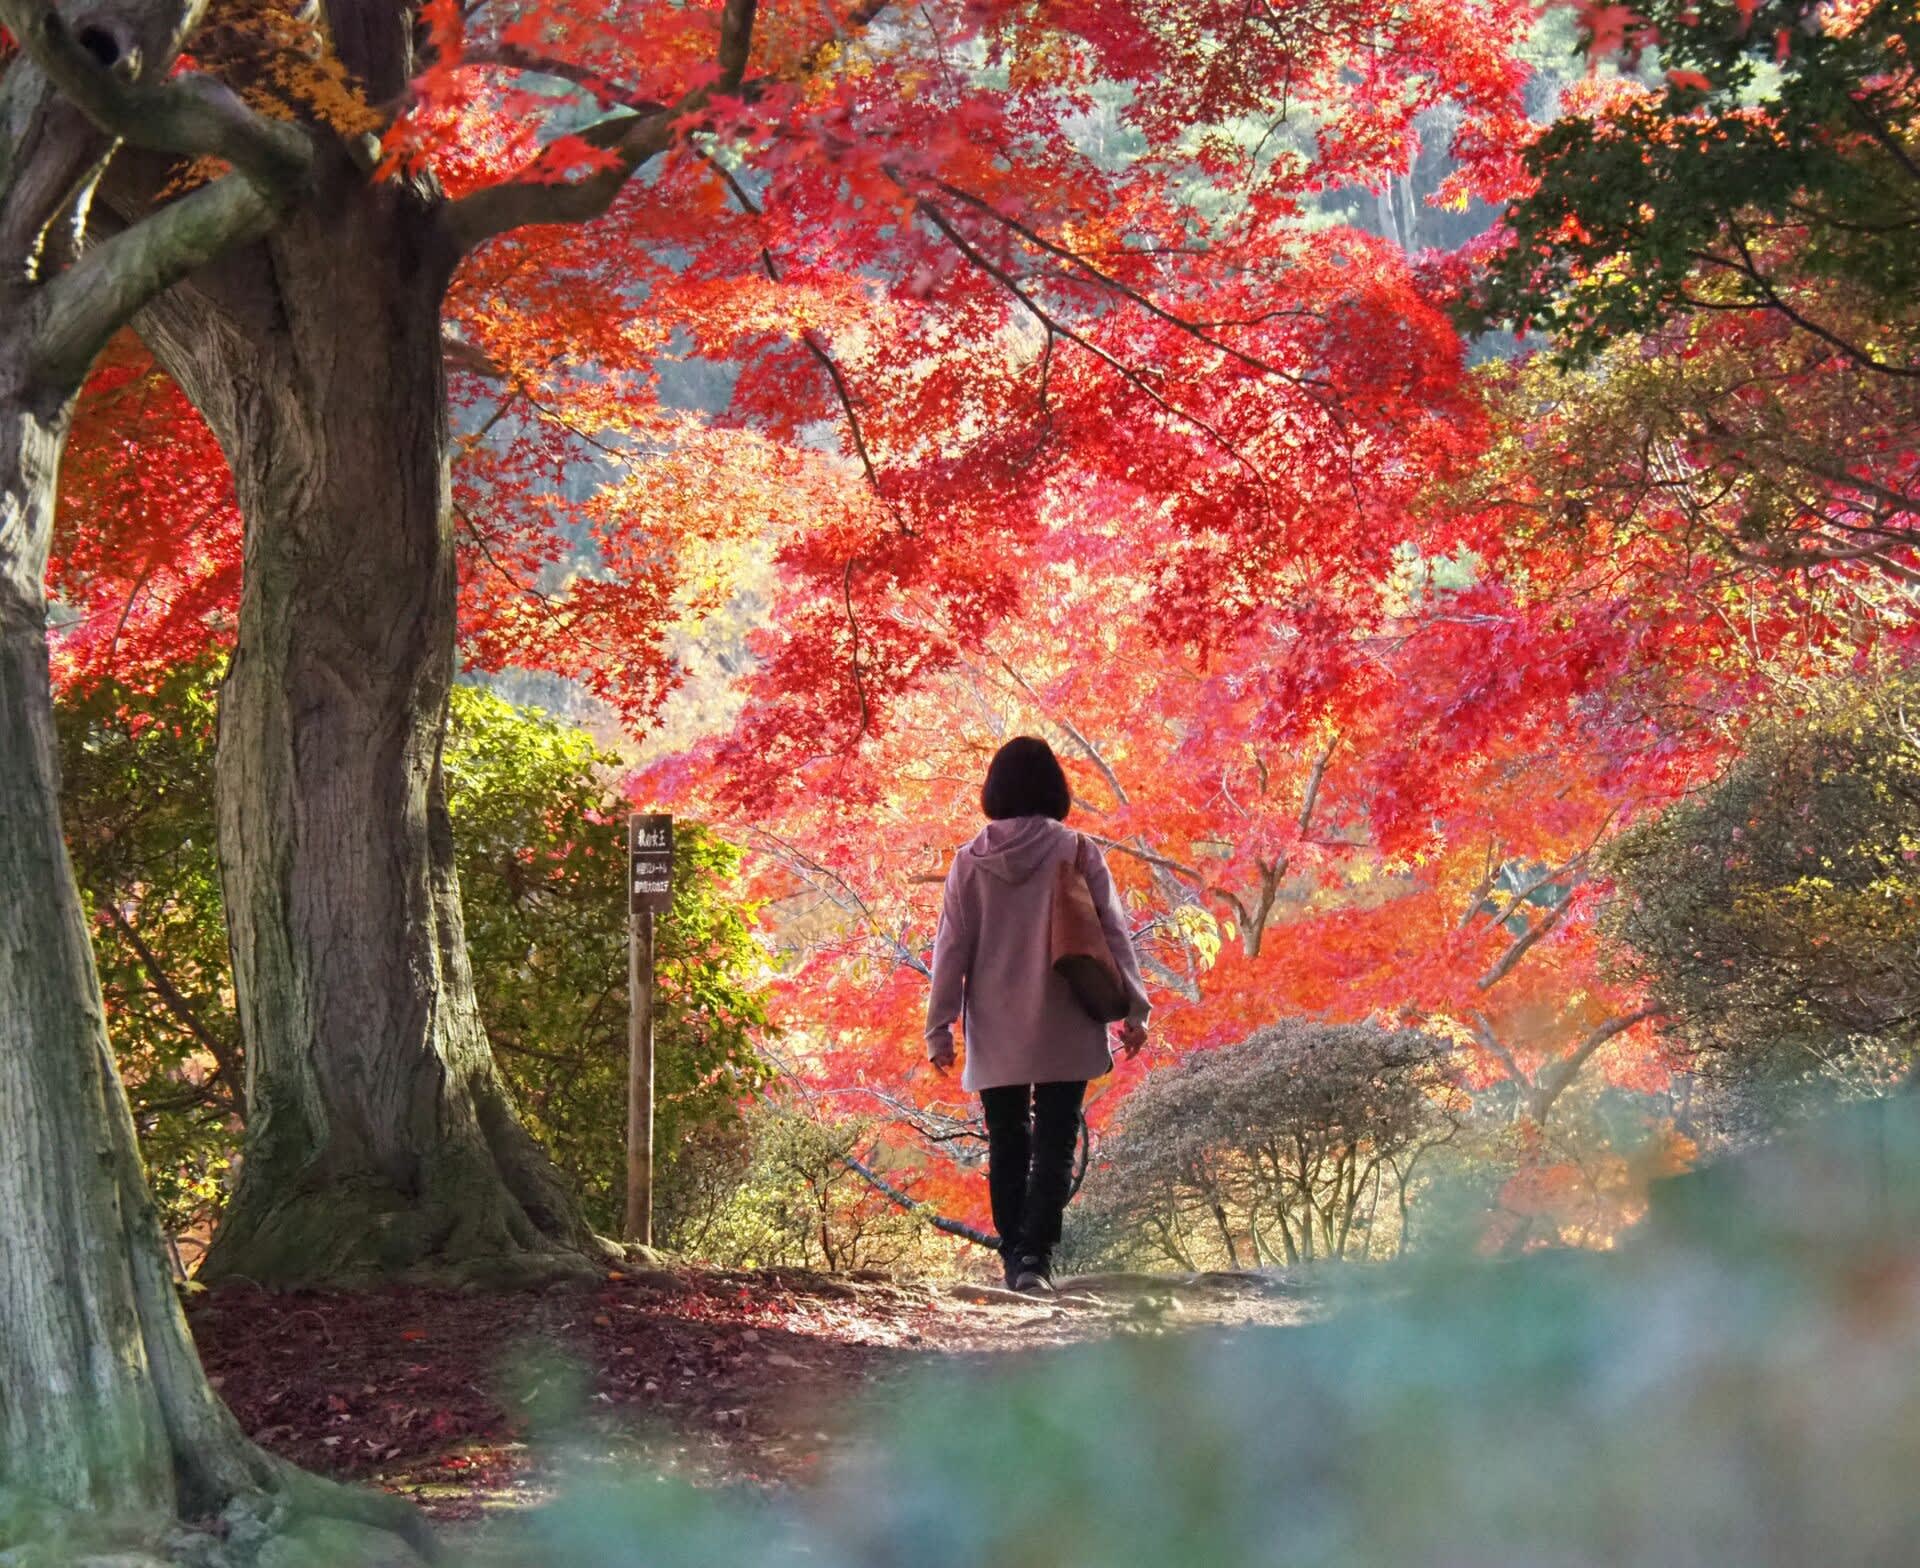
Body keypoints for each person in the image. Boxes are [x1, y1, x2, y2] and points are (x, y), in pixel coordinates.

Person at [925, 736, 1151, 1293]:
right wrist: (1135, 1008)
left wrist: (940, 1027)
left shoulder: (969, 863)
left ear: (995, 790)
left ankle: (1014, 1258)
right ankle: (1036, 1259)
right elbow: (1113, 935)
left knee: (1007, 1138)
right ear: (1054, 788)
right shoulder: (1076, 849)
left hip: (996, 1022)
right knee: (1055, 1137)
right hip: (1065, 1017)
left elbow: (950, 947)